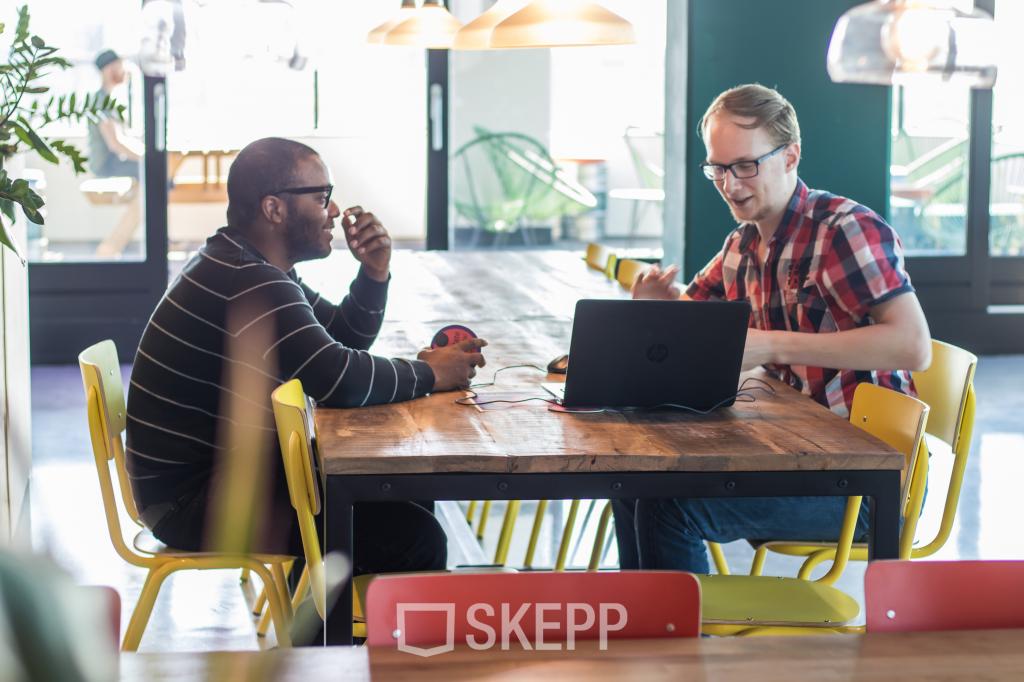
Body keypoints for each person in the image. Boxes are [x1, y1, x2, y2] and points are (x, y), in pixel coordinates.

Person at [125, 137, 486, 579]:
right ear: (274, 209)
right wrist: (431, 373)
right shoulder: (249, 278)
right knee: (415, 536)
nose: (333, 210)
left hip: (208, 481)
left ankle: (334, 613)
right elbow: (338, 380)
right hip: (191, 503)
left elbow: (340, 338)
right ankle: (325, 624)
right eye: (321, 197)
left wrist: (373, 272)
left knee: (397, 491)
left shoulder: (250, 265)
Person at [612, 84, 932, 573]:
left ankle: (679, 626)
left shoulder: (843, 230)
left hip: (868, 480)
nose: (730, 184)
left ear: (790, 157)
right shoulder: (741, 245)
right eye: (718, 168)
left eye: (745, 165)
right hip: (795, 453)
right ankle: (650, 620)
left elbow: (913, 346)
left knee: (667, 507)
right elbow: (692, 330)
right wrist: (659, 313)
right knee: (631, 485)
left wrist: (770, 347)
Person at [88, 49, 143, 180]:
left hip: (114, 161)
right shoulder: (101, 102)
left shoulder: (109, 99)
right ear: (109, 70)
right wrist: (144, 159)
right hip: (105, 165)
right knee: (153, 169)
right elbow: (114, 144)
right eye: (120, 66)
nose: (124, 71)